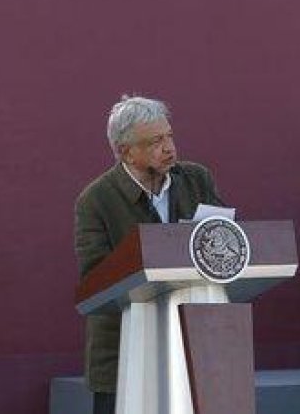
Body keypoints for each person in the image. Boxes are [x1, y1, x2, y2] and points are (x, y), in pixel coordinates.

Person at [74, 95, 226, 414]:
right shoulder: (96, 200)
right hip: (125, 354)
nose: (169, 148)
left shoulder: (196, 180)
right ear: (124, 151)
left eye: (169, 136)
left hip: (194, 346)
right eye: (156, 141)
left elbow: (225, 241)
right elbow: (95, 280)